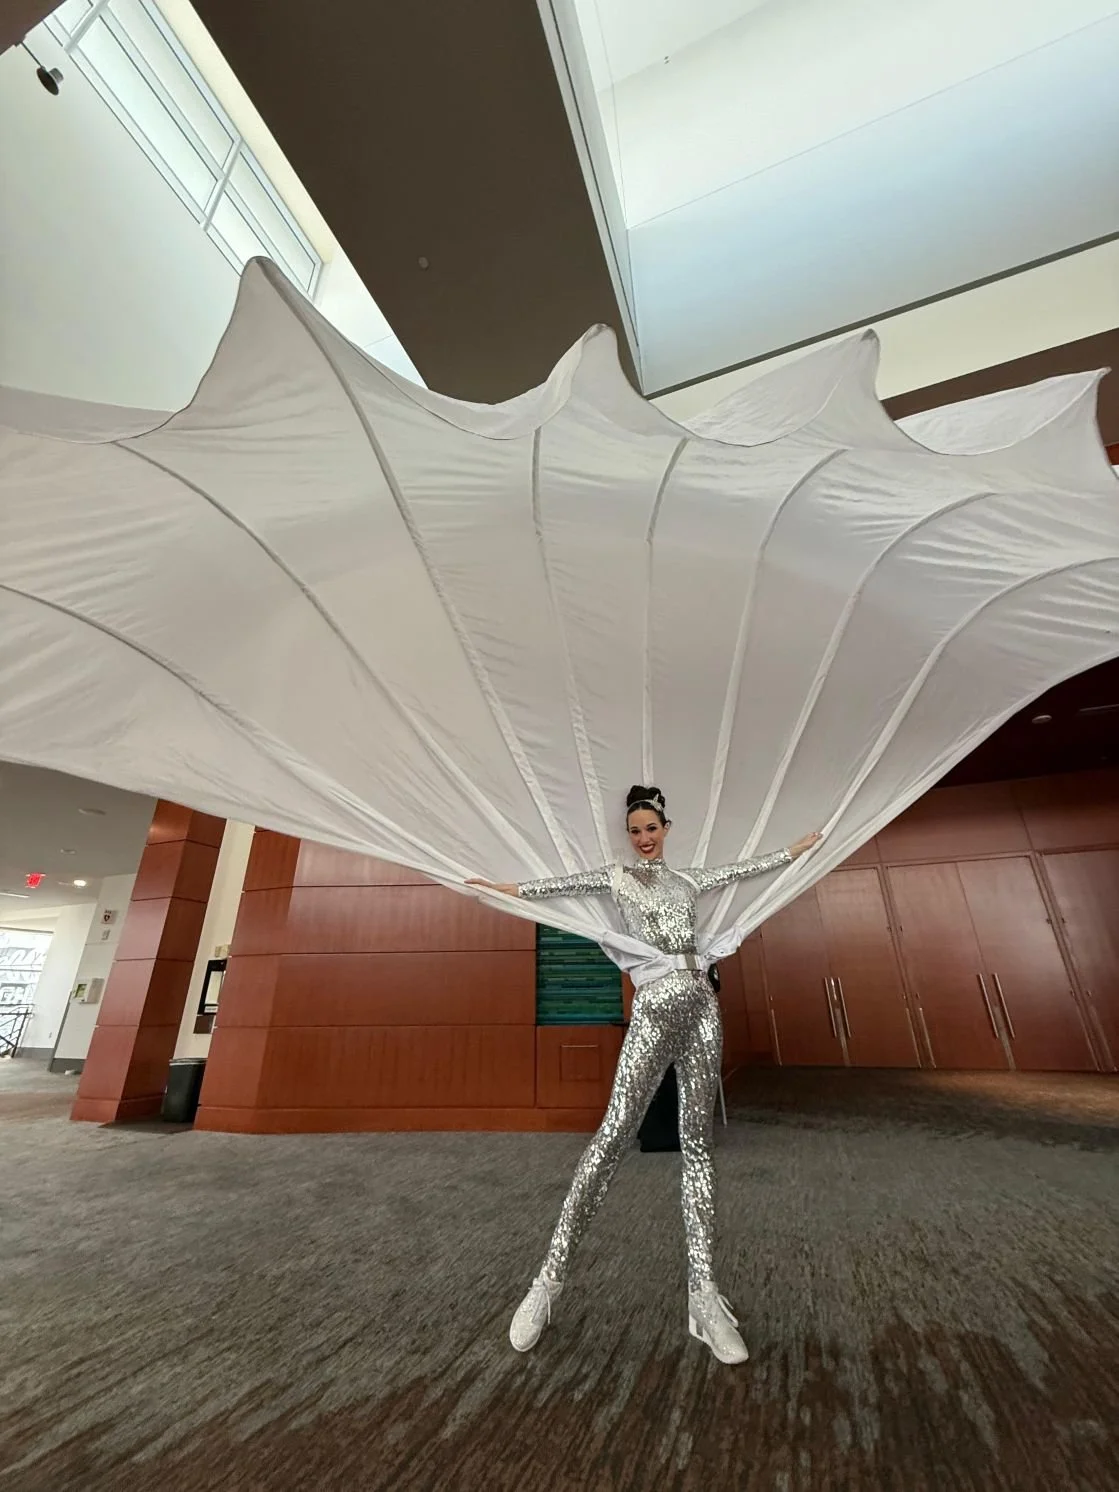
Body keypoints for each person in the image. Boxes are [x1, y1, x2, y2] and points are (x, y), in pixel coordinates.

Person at [468, 785, 821, 1365]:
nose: (642, 838)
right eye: (634, 830)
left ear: (665, 827)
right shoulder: (617, 878)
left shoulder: (689, 881)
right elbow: (554, 888)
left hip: (703, 1011)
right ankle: (547, 1282)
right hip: (654, 1010)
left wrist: (794, 852)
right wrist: (504, 891)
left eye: (650, 828)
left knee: (698, 1146)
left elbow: (744, 870)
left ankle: (704, 1297)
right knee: (610, 1138)